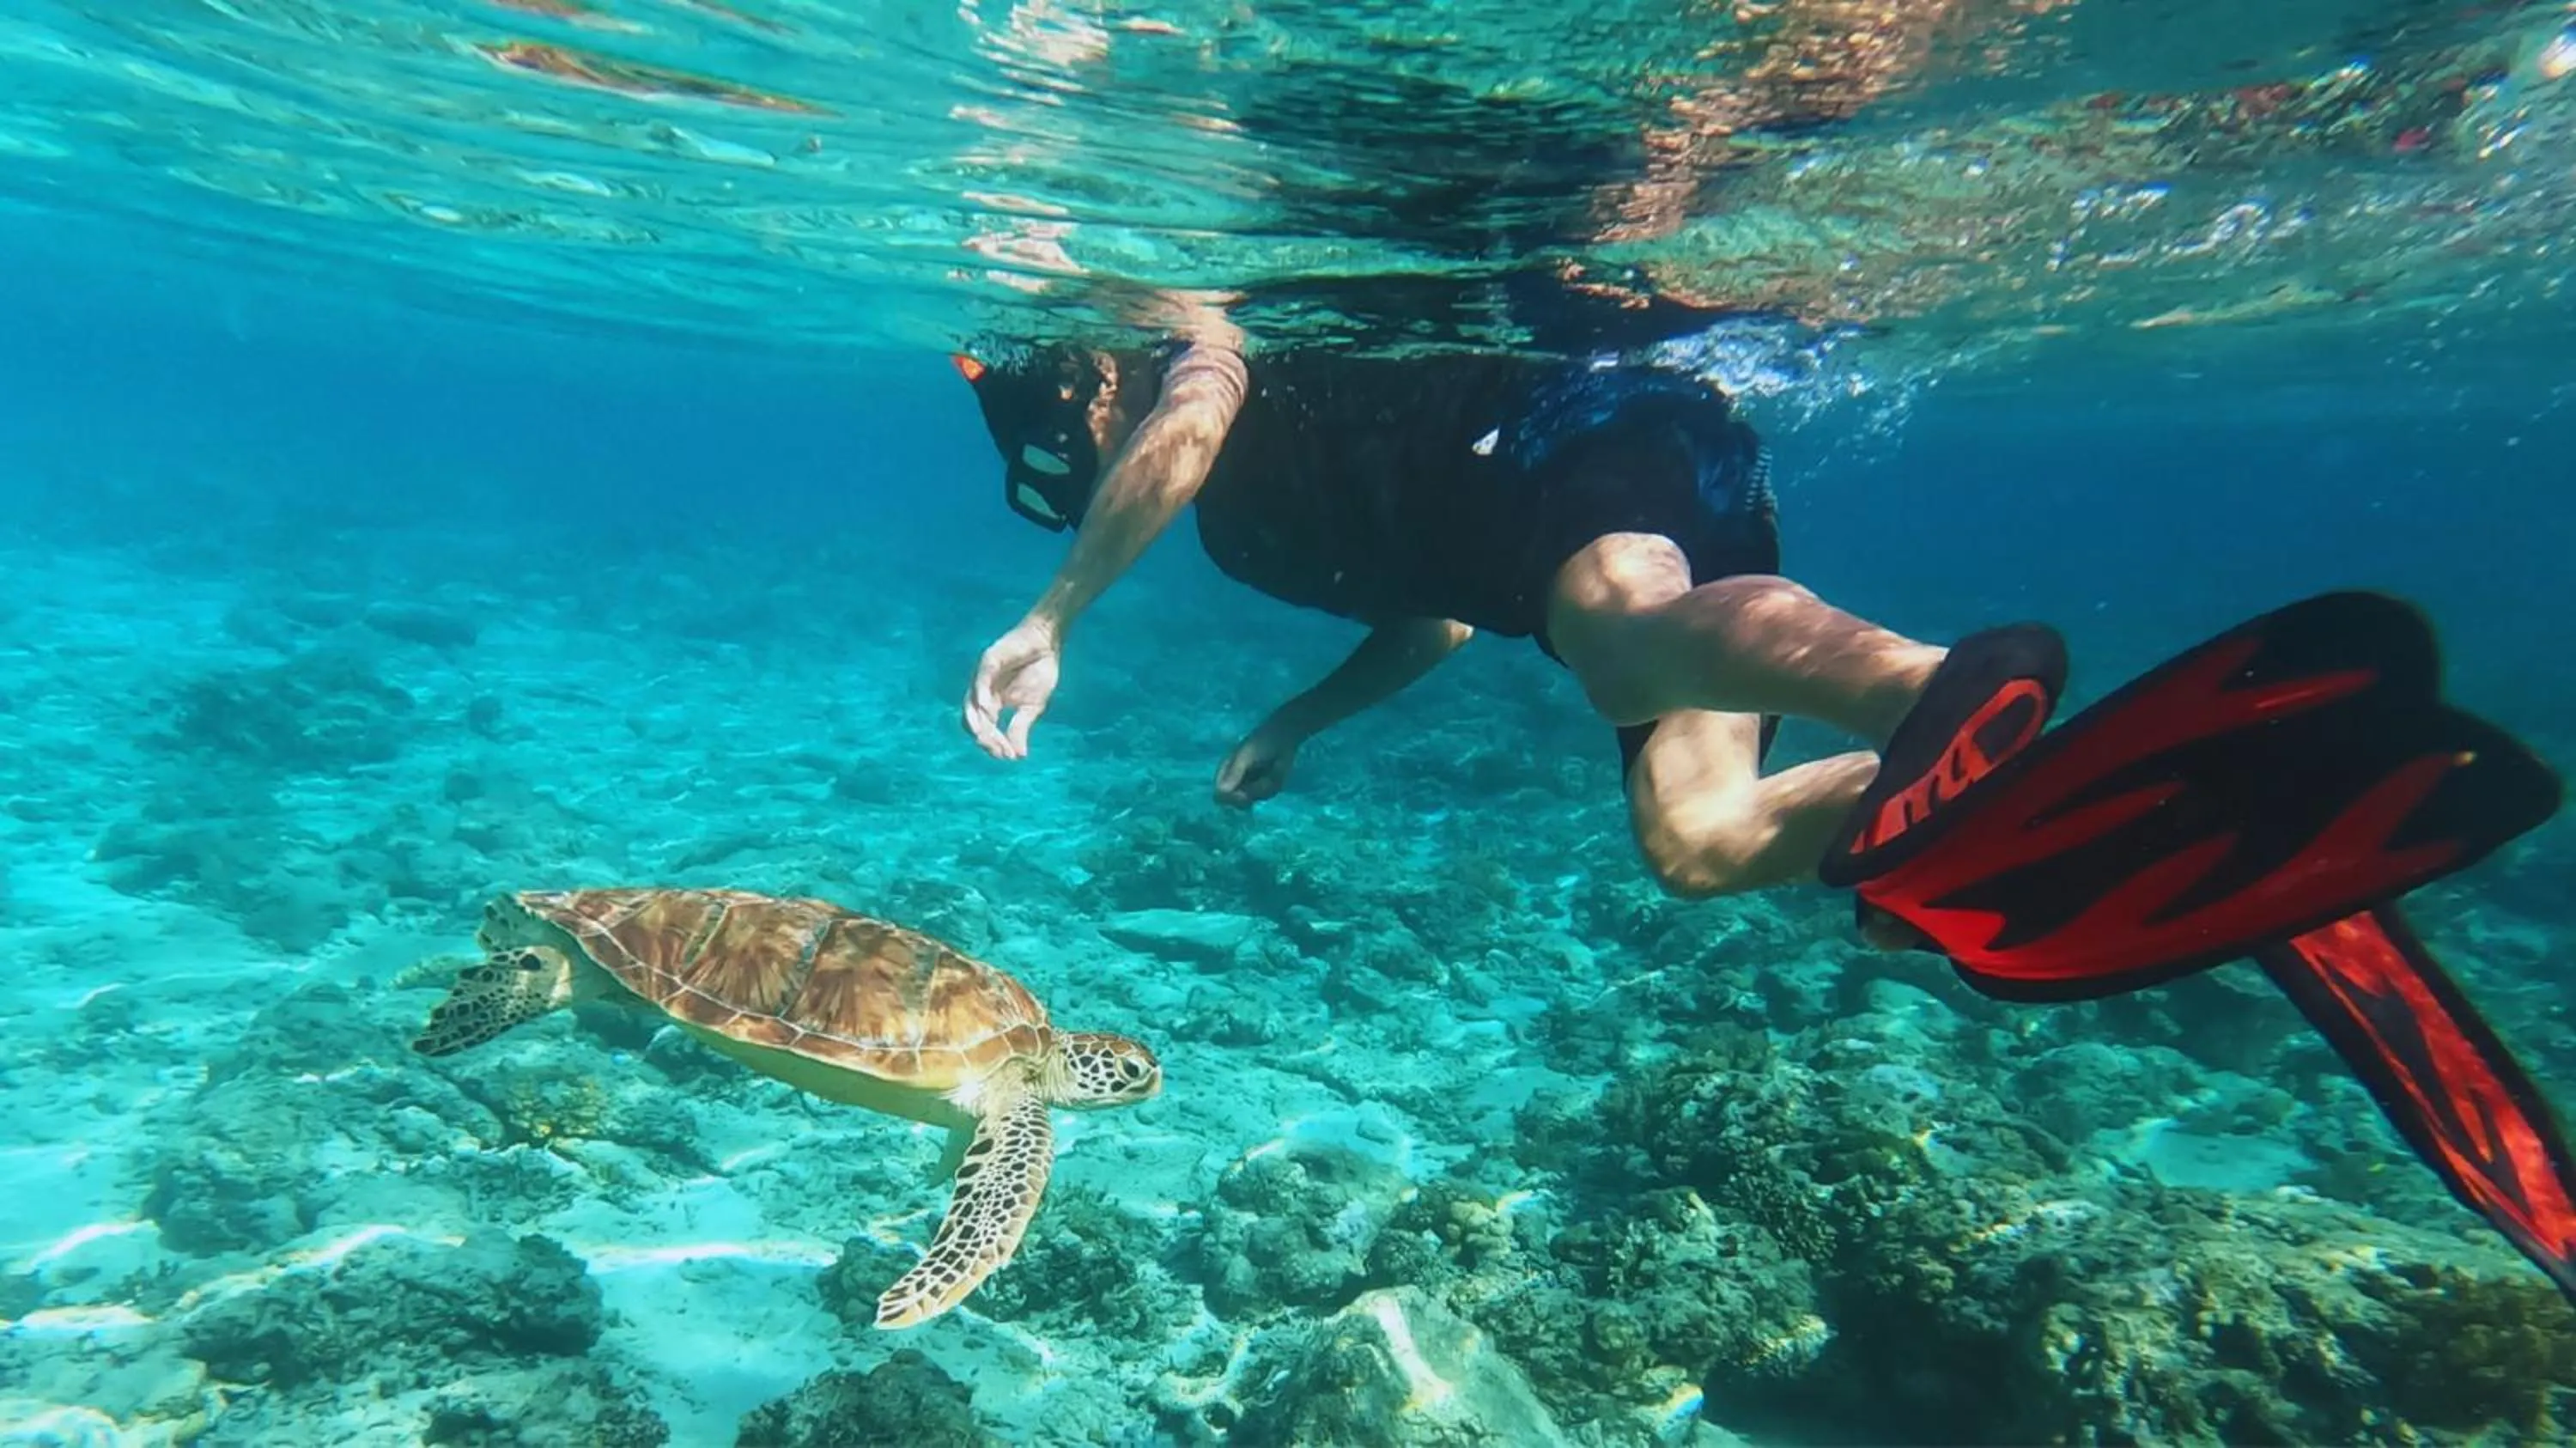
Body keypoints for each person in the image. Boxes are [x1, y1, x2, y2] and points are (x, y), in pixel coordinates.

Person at [953, 315, 1951, 900]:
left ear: (1098, 370)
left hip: (1589, 430)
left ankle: (1926, 691)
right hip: (1646, 570)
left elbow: (1188, 425)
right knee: (1698, 840)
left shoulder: (1201, 351)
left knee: (1624, 649)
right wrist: (1296, 721)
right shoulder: (1240, 537)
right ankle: (1965, 789)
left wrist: (1052, 619)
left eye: (1070, 431)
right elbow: (1440, 619)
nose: (1085, 460)